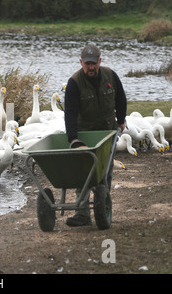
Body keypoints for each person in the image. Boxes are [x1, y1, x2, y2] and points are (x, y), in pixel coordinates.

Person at [63, 44, 127, 227]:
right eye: (87, 64)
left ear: (99, 61)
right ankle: (82, 214)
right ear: (81, 62)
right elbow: (70, 112)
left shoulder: (110, 76)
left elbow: (121, 98)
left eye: (94, 63)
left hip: (108, 132)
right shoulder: (74, 82)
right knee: (84, 173)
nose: (91, 67)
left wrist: (121, 120)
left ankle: (103, 210)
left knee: (105, 173)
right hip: (86, 136)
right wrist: (73, 138)